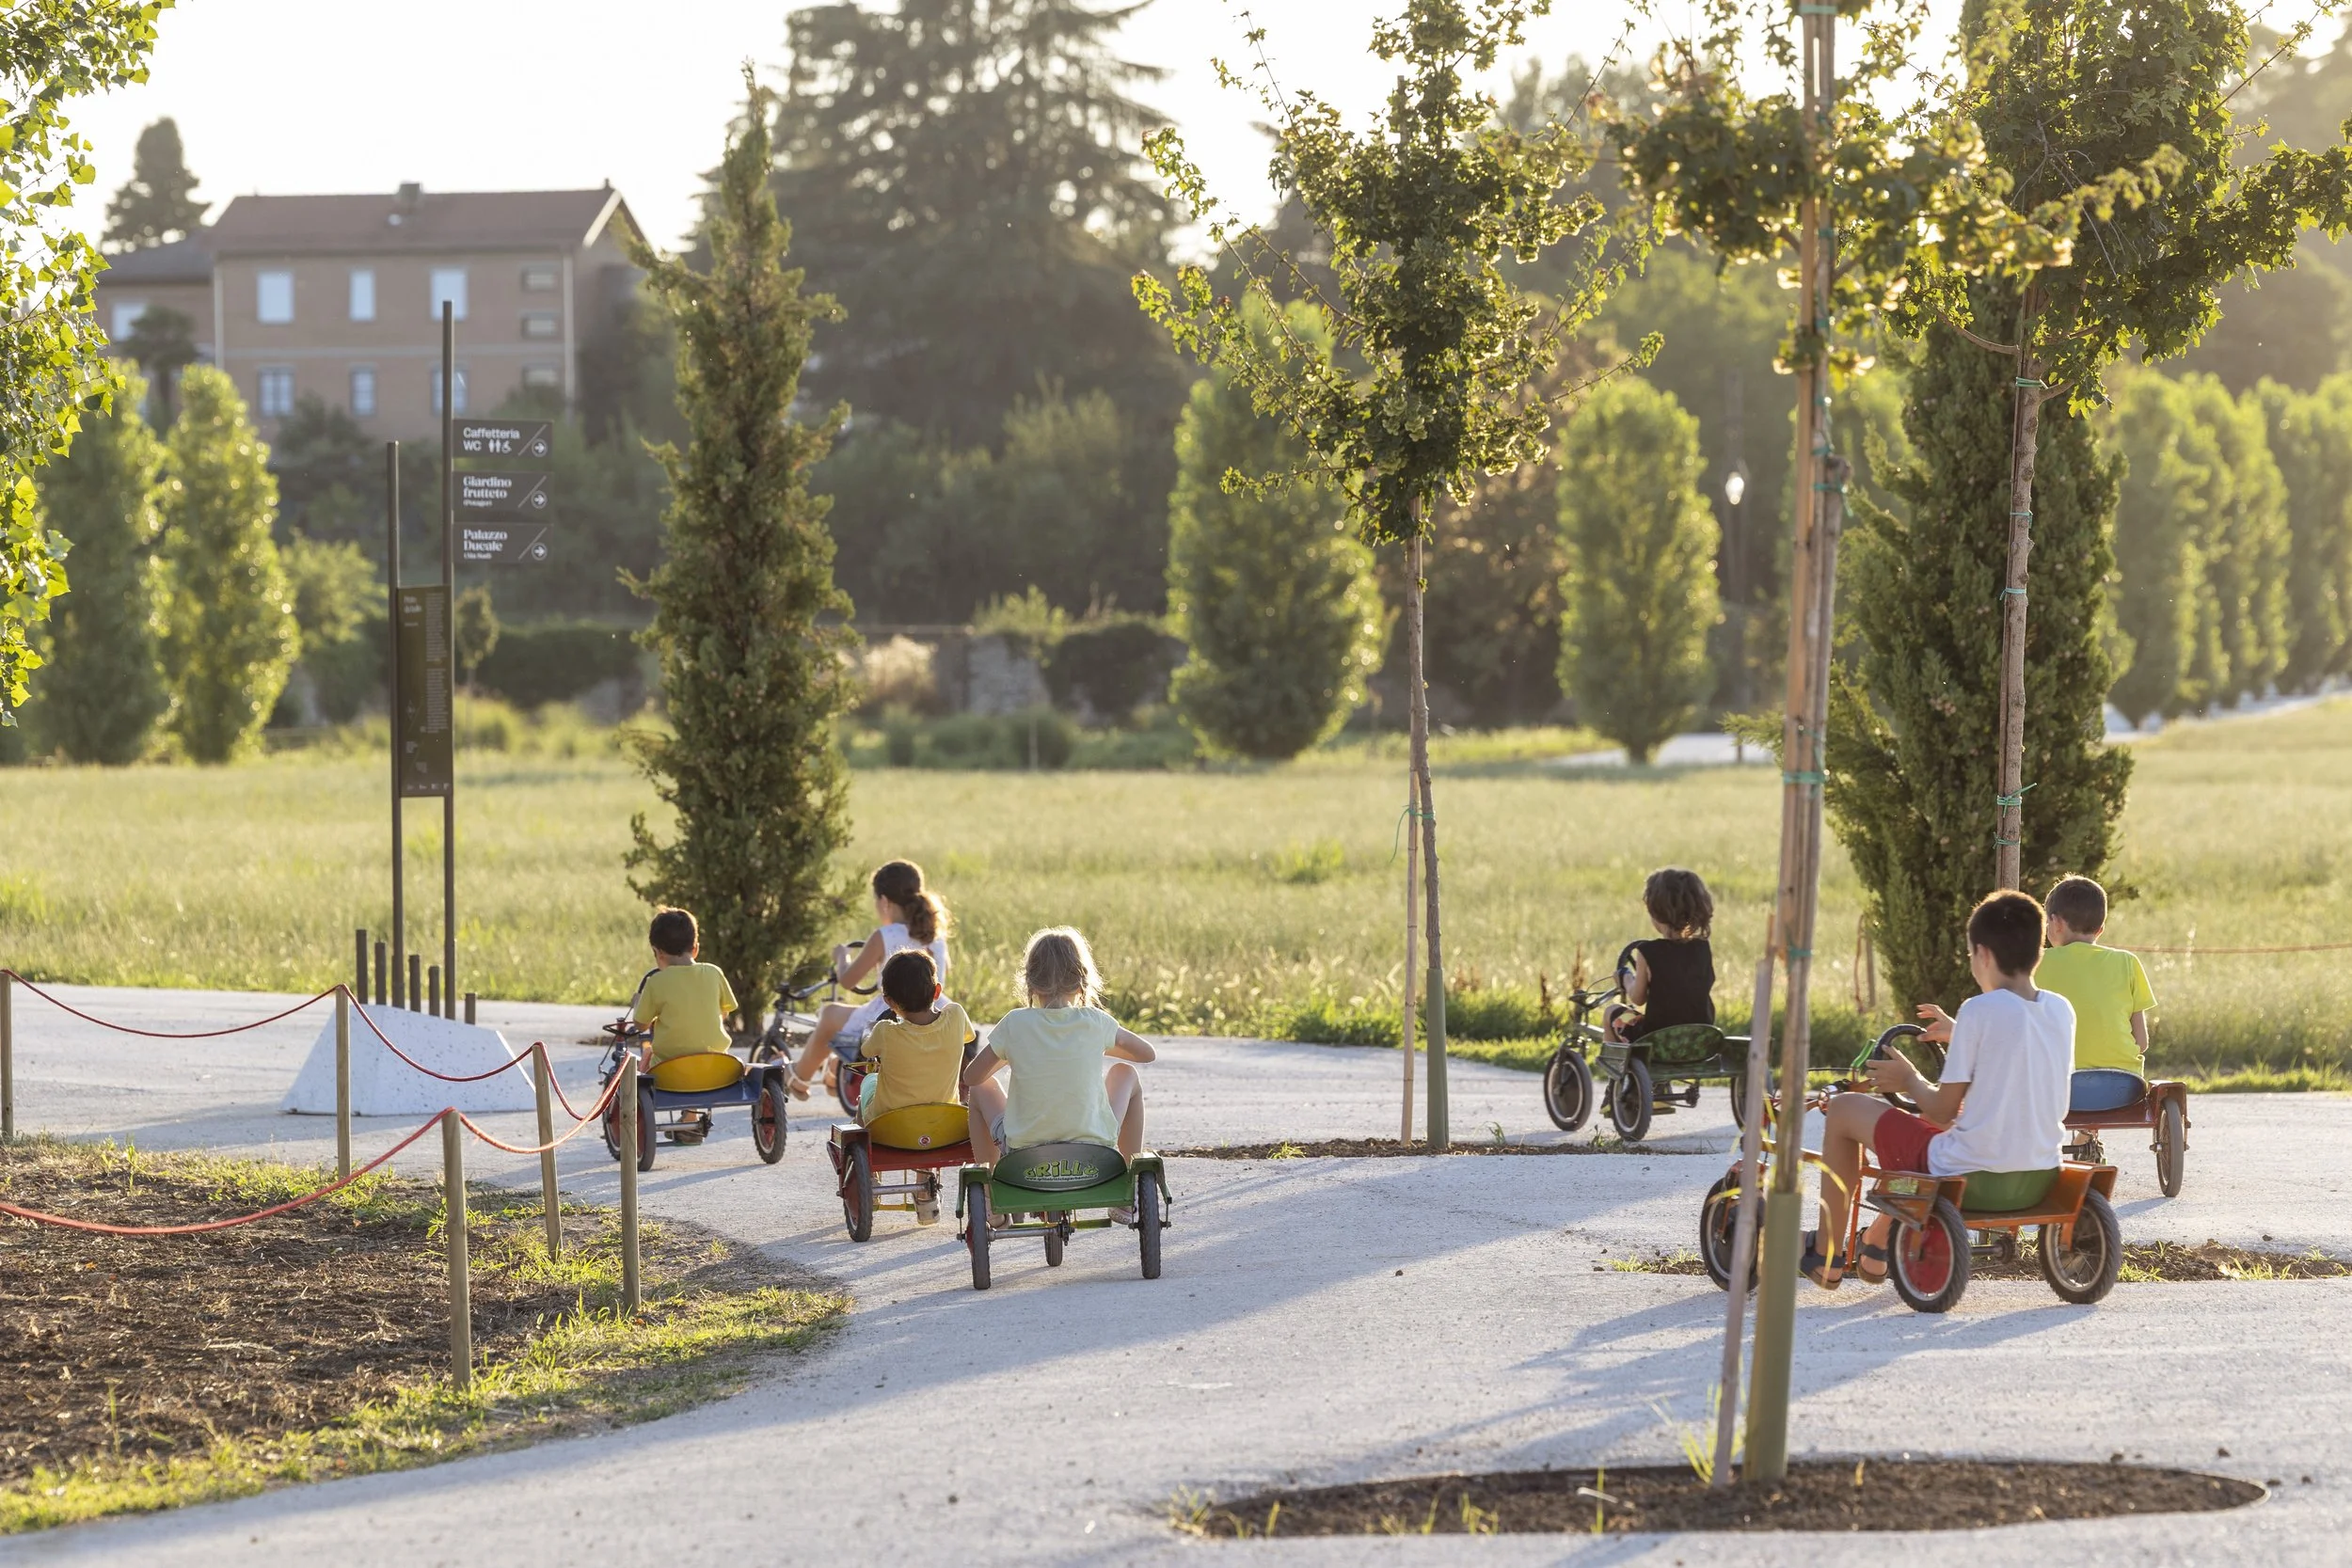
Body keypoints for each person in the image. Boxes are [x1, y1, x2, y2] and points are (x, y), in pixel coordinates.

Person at [1809, 890, 2074, 1289]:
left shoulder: (1979, 1010)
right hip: (2039, 1173)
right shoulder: (2059, 1009)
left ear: (1982, 954)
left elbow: (1939, 1111)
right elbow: (2016, 1063)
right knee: (1951, 1130)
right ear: (2039, 950)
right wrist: (1961, 1033)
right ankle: (1877, 1247)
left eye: (1970, 955)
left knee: (1846, 1108)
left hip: (1972, 1175)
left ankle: (1825, 1254)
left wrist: (1909, 1080)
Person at [962, 927, 1155, 1223]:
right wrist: (1095, 1048)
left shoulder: (1015, 1023)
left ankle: (990, 1193)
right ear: (1082, 982)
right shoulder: (1095, 1022)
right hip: (1094, 1151)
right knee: (1125, 1074)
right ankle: (1128, 1184)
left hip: (1024, 1155)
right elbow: (1146, 1053)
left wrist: (1008, 1055)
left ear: (1030, 984)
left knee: (981, 1089)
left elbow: (972, 1077)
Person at [788, 860, 951, 1100]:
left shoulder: (883, 936)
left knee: (831, 1014)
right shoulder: (936, 937)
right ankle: (834, 1074)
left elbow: (847, 980)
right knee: (850, 1015)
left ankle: (799, 1077)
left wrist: (842, 957)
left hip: (891, 1011)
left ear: (884, 902)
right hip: (935, 1007)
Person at [854, 948, 973, 1225]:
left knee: (869, 1084)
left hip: (890, 1125)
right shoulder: (955, 1016)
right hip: (945, 1120)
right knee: (927, 1109)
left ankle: (869, 1175)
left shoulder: (886, 1031)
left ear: (889, 1001)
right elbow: (968, 1035)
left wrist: (886, 1022)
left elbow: (866, 1049)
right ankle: (925, 1195)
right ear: (937, 991)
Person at [2032, 874, 2156, 1114]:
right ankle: (2086, 1136)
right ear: (2100, 929)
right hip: (2123, 1086)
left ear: (2055, 923)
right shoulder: (2127, 962)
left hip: (2055, 1088)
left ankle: (2082, 1138)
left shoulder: (2036, 963)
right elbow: (2141, 1043)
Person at [627, 908, 740, 1089]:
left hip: (669, 1072)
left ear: (658, 952)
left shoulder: (656, 982)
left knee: (647, 1053)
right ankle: (691, 1114)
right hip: (717, 1067)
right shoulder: (714, 973)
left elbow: (641, 1026)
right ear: (695, 949)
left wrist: (638, 1003)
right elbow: (724, 1013)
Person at [1605, 867, 1717, 1041]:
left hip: (1657, 1039)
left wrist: (1625, 978)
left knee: (1612, 1012)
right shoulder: (1702, 948)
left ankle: (1617, 1065)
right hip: (1699, 1037)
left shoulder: (1648, 952)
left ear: (1656, 913)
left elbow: (1638, 998)